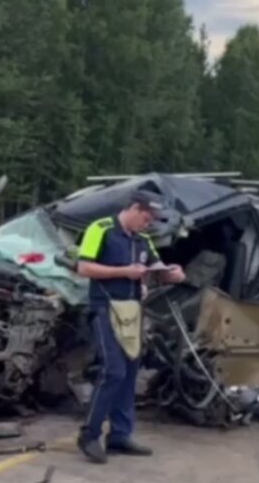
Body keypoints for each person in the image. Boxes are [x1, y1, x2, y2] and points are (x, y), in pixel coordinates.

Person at [75, 189, 186, 464]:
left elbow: (156, 269)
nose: (147, 224)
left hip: (133, 311)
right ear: (134, 208)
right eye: (146, 218)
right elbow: (83, 267)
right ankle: (89, 434)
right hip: (105, 307)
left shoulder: (143, 239)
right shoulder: (100, 229)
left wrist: (173, 274)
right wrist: (124, 272)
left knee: (129, 372)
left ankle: (120, 435)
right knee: (113, 371)